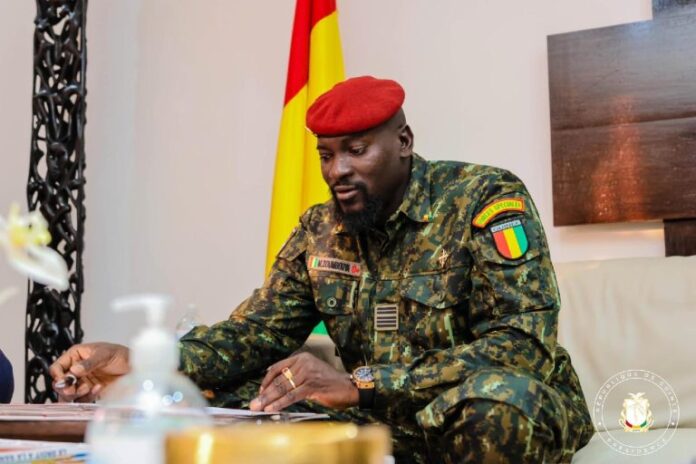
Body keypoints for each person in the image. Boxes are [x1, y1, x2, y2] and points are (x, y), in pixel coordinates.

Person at [51, 76, 594, 463]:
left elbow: (522, 344)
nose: (338, 171)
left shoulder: (484, 199)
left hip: (478, 410)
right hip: (382, 422)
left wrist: (363, 383)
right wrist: (143, 363)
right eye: (326, 155)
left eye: (356, 150)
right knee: (229, 397)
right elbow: (255, 333)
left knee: (495, 403)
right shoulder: (320, 228)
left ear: (404, 143)